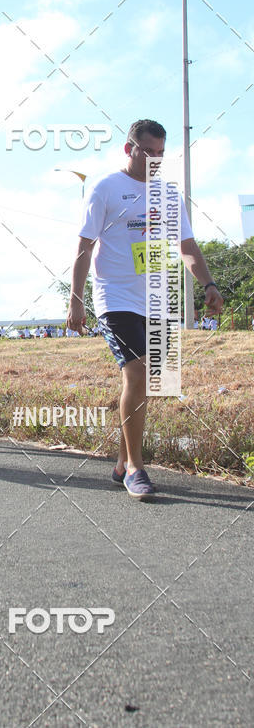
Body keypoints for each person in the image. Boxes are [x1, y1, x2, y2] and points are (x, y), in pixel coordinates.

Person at [67, 119, 223, 501]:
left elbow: (187, 246)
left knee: (147, 382)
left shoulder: (168, 194)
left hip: (156, 297)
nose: (154, 159)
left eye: (160, 154)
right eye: (147, 151)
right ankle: (136, 469)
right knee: (135, 372)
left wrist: (209, 284)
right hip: (115, 296)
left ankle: (122, 461)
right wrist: (75, 298)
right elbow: (85, 247)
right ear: (129, 149)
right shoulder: (106, 188)